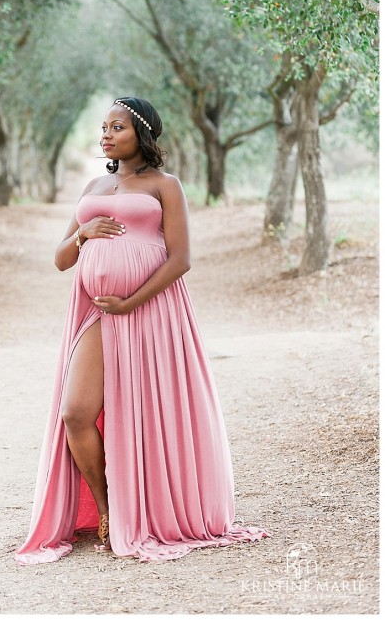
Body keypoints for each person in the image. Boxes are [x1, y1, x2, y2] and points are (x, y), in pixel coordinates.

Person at [15, 97, 270, 564]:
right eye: (104, 127)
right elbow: (60, 260)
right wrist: (82, 232)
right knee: (75, 412)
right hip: (98, 314)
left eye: (118, 127)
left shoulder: (164, 185)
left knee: (147, 414)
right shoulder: (94, 185)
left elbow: (181, 259)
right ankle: (110, 506)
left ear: (143, 134)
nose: (107, 135)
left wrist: (132, 301)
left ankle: (147, 507)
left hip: (151, 314)